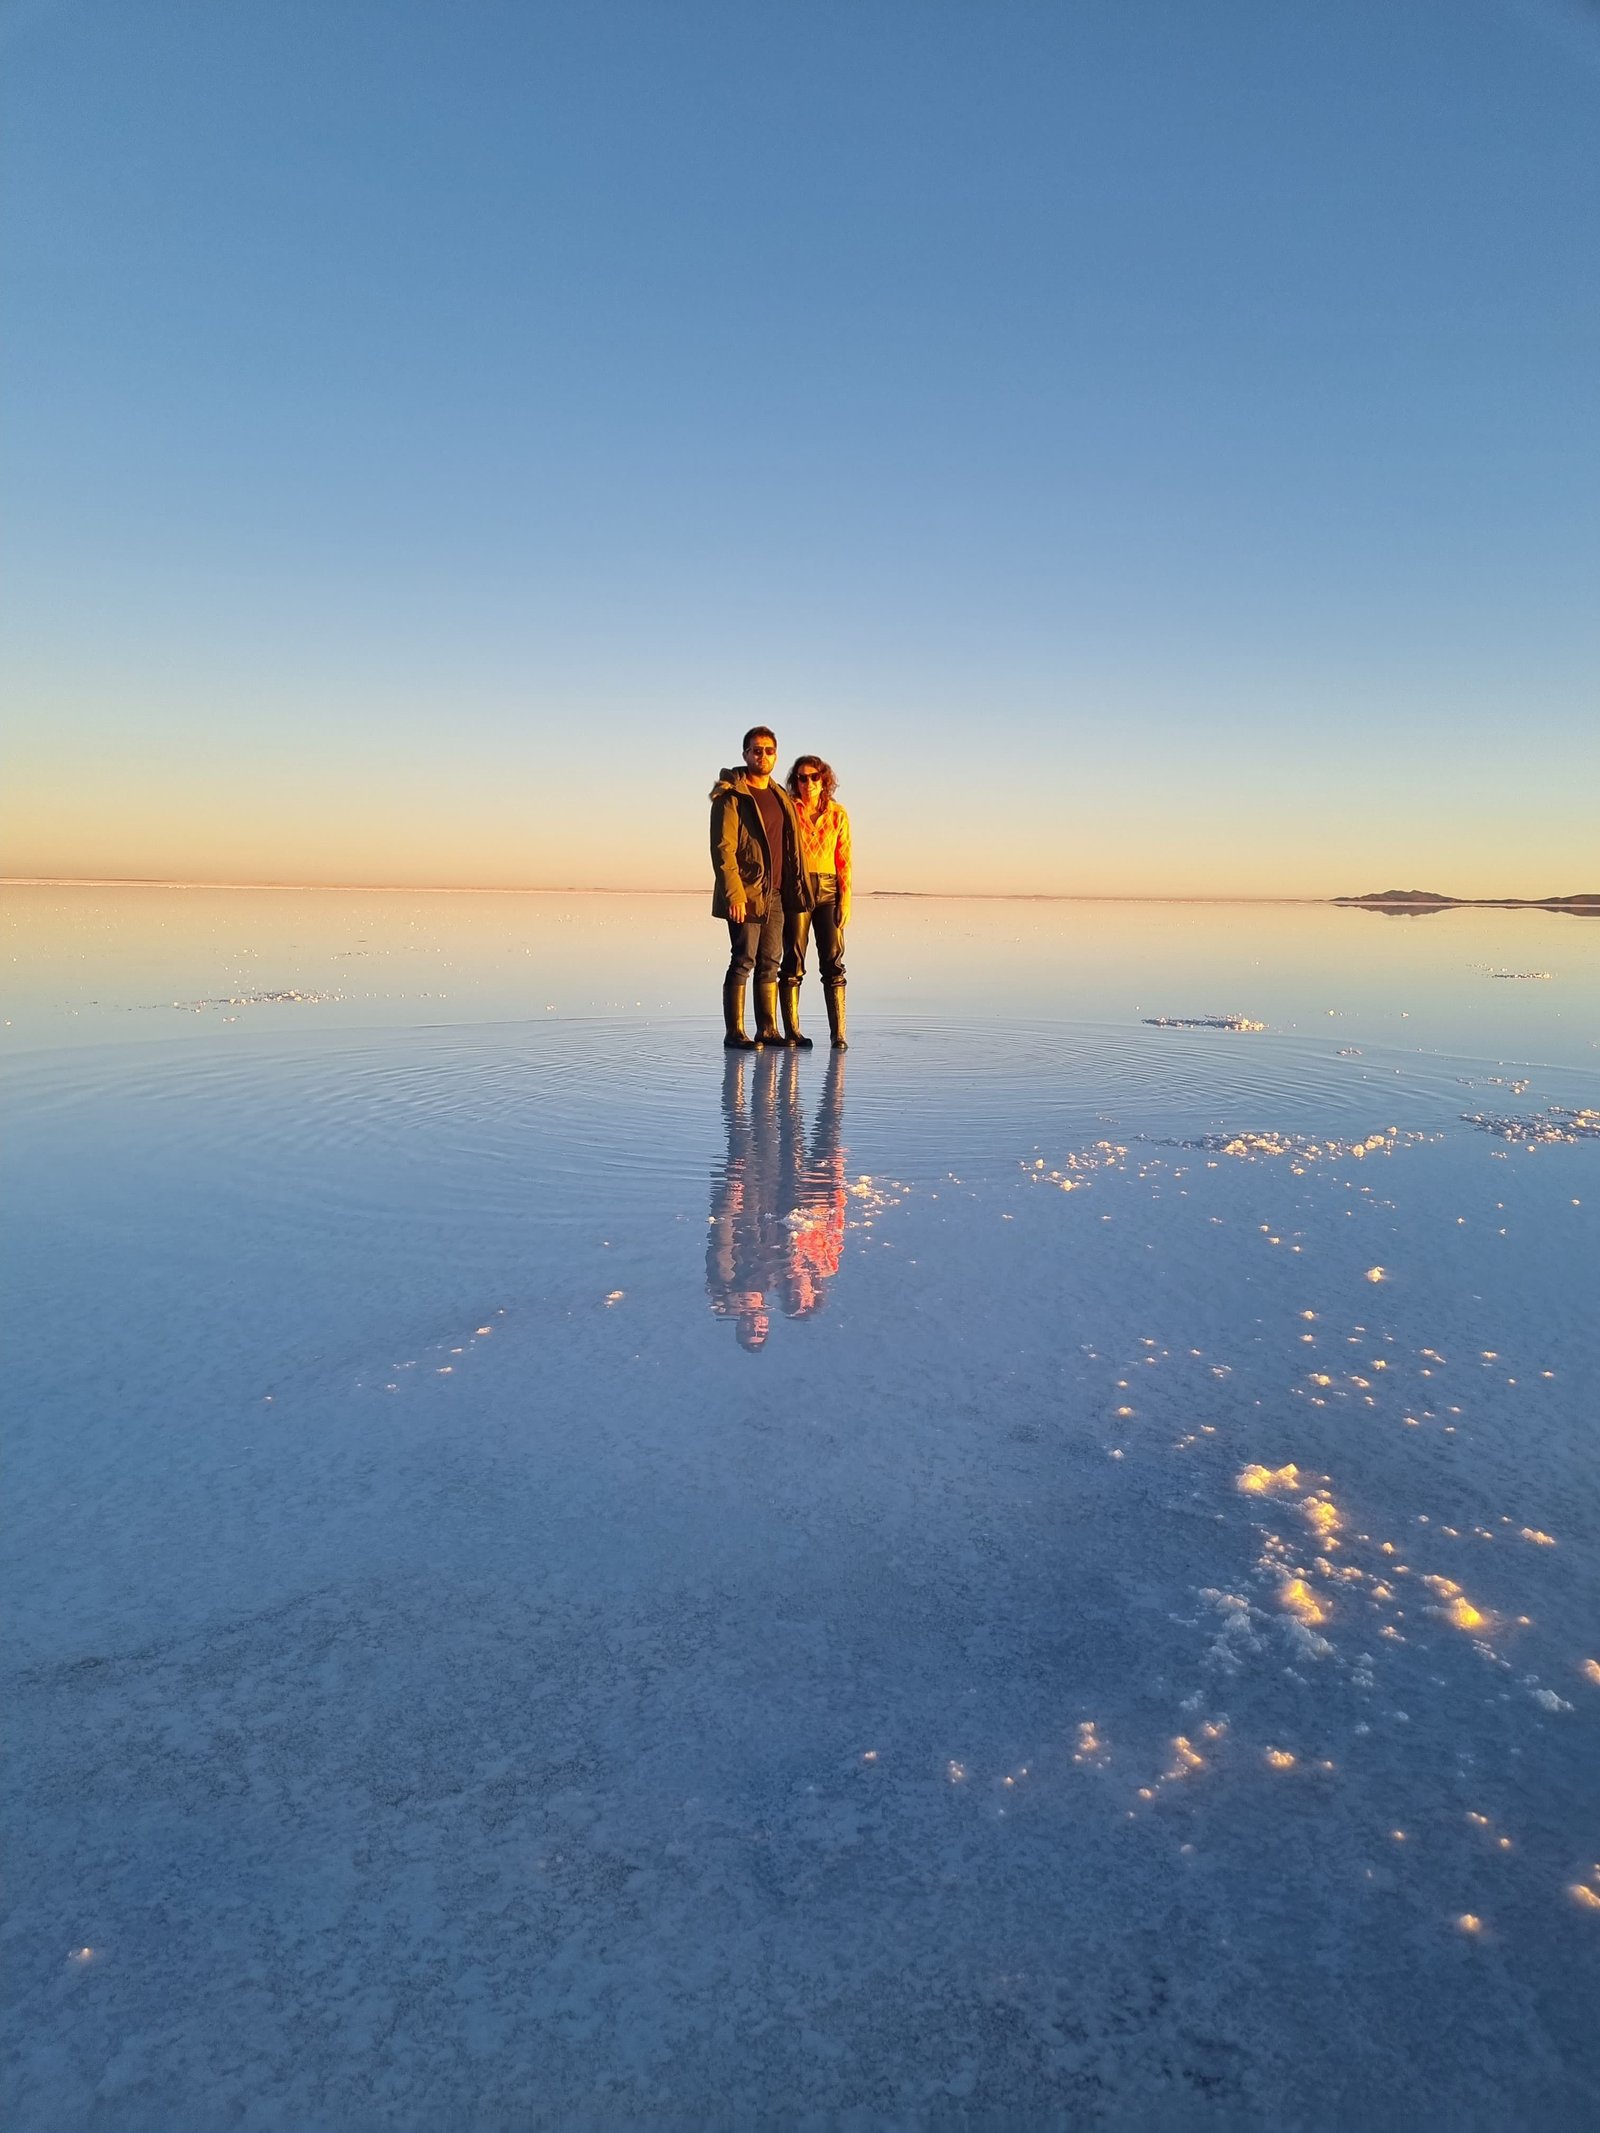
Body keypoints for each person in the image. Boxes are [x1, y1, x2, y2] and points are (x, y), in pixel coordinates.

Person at [709, 727, 814, 1048]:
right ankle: (735, 1032)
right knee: (743, 959)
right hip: (746, 892)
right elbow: (723, 849)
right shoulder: (732, 797)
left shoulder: (780, 795)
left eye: (769, 750)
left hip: (778, 892)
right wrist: (734, 893)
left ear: (776, 755)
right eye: (756, 750)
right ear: (745, 755)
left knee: (771, 961)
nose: (762, 755)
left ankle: (767, 1030)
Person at [780, 754, 852, 1050]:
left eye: (814, 777)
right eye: (802, 778)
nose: (808, 783)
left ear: (824, 780)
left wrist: (845, 900)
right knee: (793, 960)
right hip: (797, 888)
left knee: (833, 962)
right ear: (795, 782)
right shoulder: (789, 810)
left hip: (829, 889)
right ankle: (793, 1031)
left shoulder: (838, 814)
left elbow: (844, 859)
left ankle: (838, 1034)